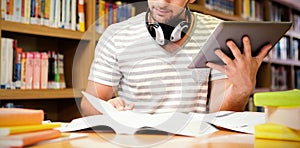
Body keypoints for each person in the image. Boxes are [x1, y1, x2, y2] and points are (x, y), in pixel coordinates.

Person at [81, 0, 272, 116]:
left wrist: (241, 91)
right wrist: (108, 109)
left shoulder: (217, 31)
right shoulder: (116, 35)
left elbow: (220, 114)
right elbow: (89, 104)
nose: (163, 3)